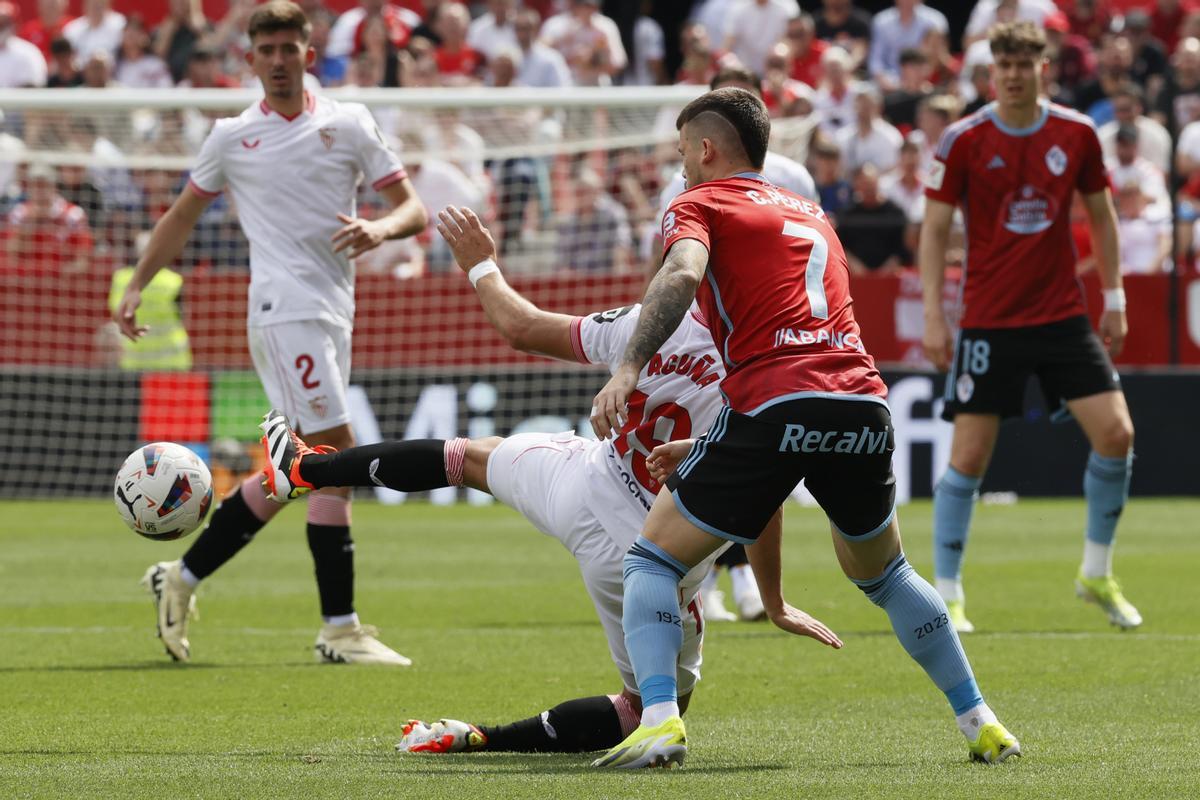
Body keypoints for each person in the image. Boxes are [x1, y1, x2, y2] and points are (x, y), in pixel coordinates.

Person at [256, 204, 842, 755]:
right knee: (649, 709)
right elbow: (763, 499)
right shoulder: (764, 370)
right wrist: (773, 600)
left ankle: (306, 470)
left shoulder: (643, 326)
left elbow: (521, 326)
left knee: (466, 458)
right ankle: (483, 738)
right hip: (651, 555)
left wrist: (480, 263)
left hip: (585, 481)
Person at [588, 87, 1020, 769]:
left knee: (651, 559)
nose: (681, 169)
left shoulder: (699, 203)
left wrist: (628, 367)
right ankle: (980, 719)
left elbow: (680, 272)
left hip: (773, 396)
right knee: (886, 575)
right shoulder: (813, 213)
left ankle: (661, 719)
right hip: (861, 401)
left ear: (706, 149)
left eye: (682, 154)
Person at [113, 1, 428, 666]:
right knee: (336, 457)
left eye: (291, 48)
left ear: (309, 54)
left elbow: (412, 208)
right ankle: (339, 630)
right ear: (250, 59)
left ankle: (184, 576)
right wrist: (139, 281)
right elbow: (181, 215)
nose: (280, 61)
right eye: (268, 51)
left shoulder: (348, 123)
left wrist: (380, 229)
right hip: (284, 310)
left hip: (331, 309)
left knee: (302, 471)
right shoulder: (231, 136)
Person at [919, 22, 1139, 634]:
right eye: (1004, 63)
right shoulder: (964, 139)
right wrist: (937, 313)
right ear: (992, 71)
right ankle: (948, 593)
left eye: (1024, 62)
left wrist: (1115, 296)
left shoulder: (1077, 132)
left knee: (1117, 434)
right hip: (990, 319)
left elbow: (1102, 214)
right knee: (968, 456)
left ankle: (1096, 572)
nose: (1014, 73)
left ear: (1046, 67)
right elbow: (935, 230)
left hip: (1063, 315)